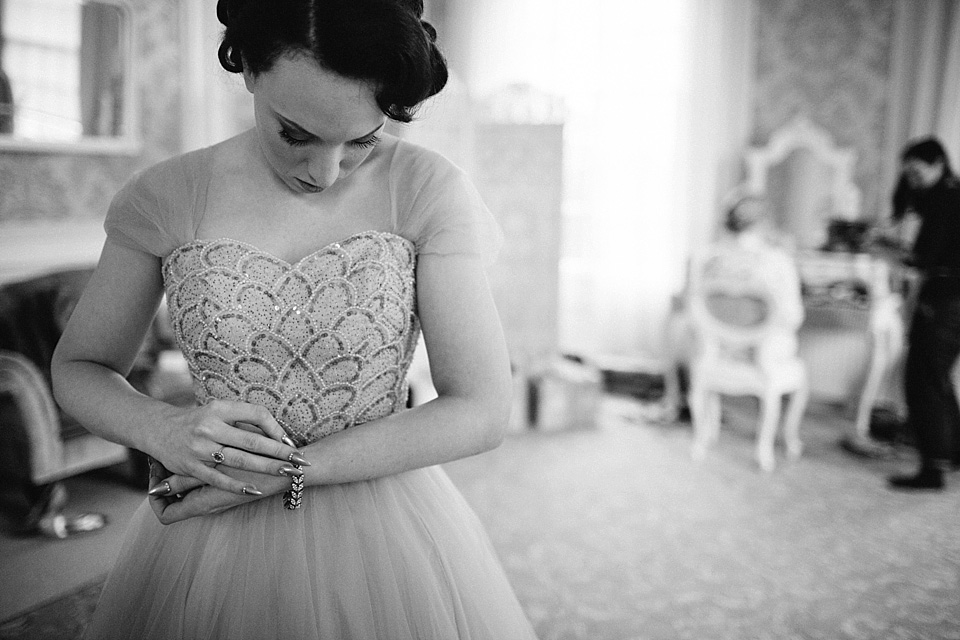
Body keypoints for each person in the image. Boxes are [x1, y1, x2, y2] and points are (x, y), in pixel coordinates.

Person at [50, 1, 538, 637]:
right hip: (208, 538)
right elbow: (79, 366)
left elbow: (481, 407)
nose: (325, 172)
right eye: (296, 134)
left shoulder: (426, 188)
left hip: (383, 522)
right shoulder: (165, 196)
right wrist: (162, 427)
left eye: (363, 140)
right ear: (249, 69)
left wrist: (289, 471)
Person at [882, 137, 960, 491]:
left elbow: (923, 258)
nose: (910, 179)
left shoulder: (945, 200)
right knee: (939, 379)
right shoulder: (948, 194)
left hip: (945, 301)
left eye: (916, 171)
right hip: (952, 300)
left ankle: (932, 470)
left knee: (923, 381)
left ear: (938, 164)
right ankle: (953, 454)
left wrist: (888, 249)